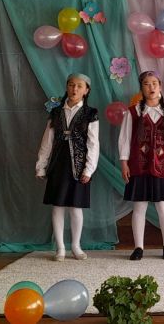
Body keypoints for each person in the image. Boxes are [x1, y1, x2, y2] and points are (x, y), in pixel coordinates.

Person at [119, 71, 164, 261]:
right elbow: (125, 139)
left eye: (154, 83)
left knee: (163, 206)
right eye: (147, 84)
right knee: (139, 206)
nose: (151, 87)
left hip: (163, 166)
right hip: (139, 165)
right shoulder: (133, 112)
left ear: (160, 86)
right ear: (142, 88)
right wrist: (124, 163)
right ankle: (138, 247)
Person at [36, 73, 99, 261]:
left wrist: (89, 169)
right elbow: (47, 141)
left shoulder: (90, 114)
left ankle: (76, 246)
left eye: (79, 86)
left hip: (79, 167)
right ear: (66, 87)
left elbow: (93, 144)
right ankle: (60, 248)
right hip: (58, 164)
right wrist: (41, 166)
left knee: (75, 207)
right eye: (71, 85)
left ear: (86, 90)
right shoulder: (56, 112)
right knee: (57, 207)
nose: (74, 89)